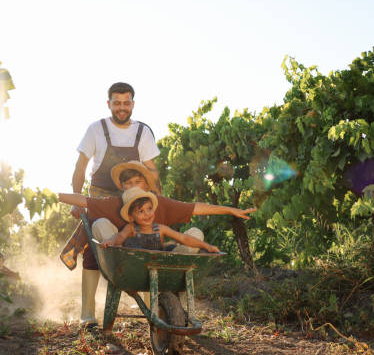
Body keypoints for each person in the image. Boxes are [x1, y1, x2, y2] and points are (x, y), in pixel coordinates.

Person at [58, 161, 257, 327]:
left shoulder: (160, 204)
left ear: (147, 186)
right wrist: (59, 196)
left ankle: (170, 294)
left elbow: (195, 208)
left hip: (160, 264)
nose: (133, 185)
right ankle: (89, 312)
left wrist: (230, 210)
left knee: (196, 232)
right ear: (122, 187)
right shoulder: (114, 204)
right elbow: (85, 200)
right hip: (124, 264)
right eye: (128, 183)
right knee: (100, 224)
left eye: (138, 181)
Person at [60, 82, 160, 328]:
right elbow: (80, 167)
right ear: (109, 104)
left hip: (132, 197)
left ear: (133, 104)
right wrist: (76, 198)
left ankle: (153, 310)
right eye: (117, 103)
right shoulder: (96, 129)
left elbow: (152, 173)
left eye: (127, 103)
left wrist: (156, 202)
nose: (122, 107)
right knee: (94, 250)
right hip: (101, 197)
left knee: (147, 245)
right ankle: (87, 315)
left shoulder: (143, 132)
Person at [101, 187, 220, 254]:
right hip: (138, 266)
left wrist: (207, 246)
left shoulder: (160, 229)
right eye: (140, 211)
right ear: (131, 217)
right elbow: (120, 236)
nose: (147, 214)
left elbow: (183, 238)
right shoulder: (131, 228)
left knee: (188, 239)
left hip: (160, 265)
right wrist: (111, 241)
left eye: (149, 209)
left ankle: (179, 260)